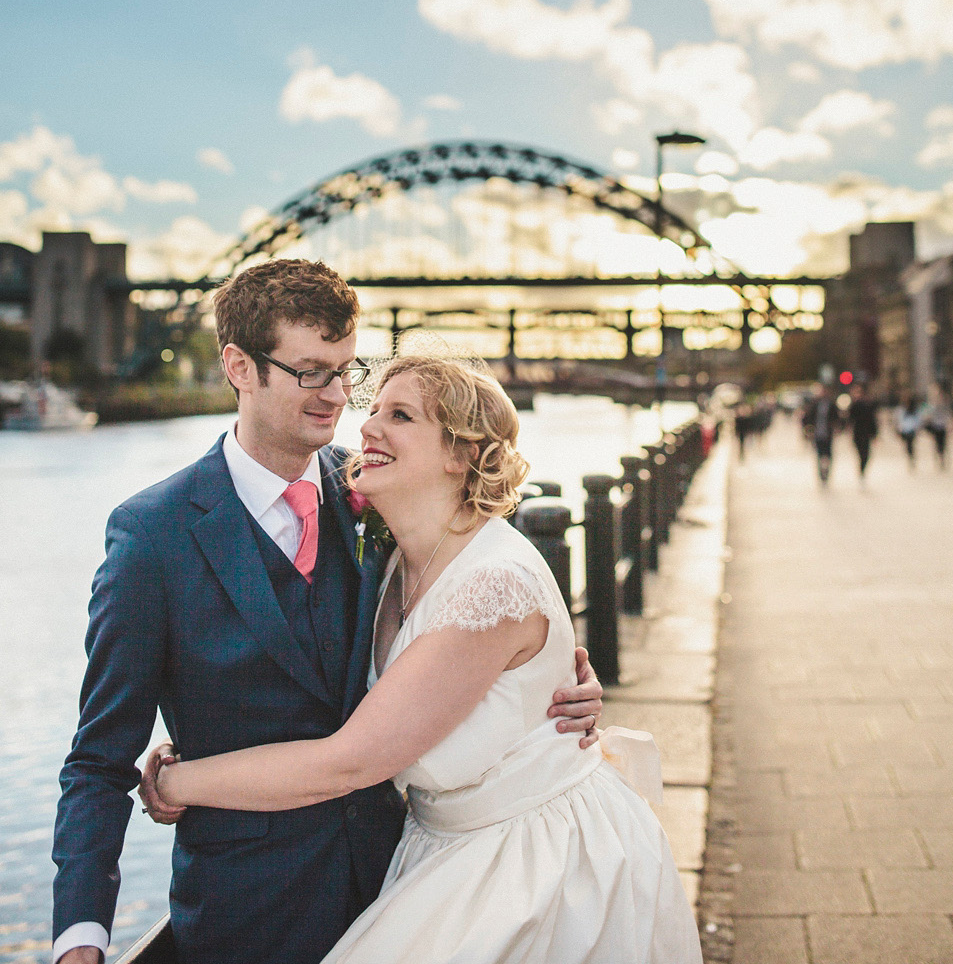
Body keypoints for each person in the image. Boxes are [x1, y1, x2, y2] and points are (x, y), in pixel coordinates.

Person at [51, 261, 601, 964]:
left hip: (406, 883)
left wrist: (555, 688)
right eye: (312, 372)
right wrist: (80, 938)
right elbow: (98, 761)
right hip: (245, 911)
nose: (339, 396)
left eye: (347, 370)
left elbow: (483, 608)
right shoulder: (152, 537)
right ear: (240, 367)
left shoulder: (379, 492)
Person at [142, 356, 702, 964]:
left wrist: (177, 782)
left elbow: (349, 761)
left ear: (459, 455)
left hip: (531, 865)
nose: (369, 428)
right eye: (375, 410)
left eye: (401, 415)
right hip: (440, 844)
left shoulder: (492, 586)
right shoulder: (387, 560)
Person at [802, 384, 839, 486]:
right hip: (817, 433)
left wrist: (836, 428)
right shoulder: (814, 404)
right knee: (819, 454)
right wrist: (808, 430)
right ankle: (821, 474)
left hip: (828, 433)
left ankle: (826, 471)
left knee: (827, 454)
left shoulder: (831, 404)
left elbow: (836, 418)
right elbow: (807, 418)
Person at [848, 383, 879, 483]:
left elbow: (872, 420)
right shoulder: (854, 405)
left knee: (866, 454)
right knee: (861, 454)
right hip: (857, 433)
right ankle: (861, 470)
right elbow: (849, 419)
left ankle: (862, 470)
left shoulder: (868, 404)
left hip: (866, 433)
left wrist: (874, 434)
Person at [924, 385, 952, 470]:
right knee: (937, 443)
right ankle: (939, 458)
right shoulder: (931, 405)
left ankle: (942, 458)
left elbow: (948, 414)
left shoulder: (944, 404)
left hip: (942, 426)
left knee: (943, 443)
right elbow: (927, 415)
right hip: (935, 426)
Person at [895, 393, 922, 468]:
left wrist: (917, 428)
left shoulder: (914, 409)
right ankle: (910, 457)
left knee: (910, 445)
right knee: (907, 445)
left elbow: (918, 419)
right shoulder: (901, 409)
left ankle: (911, 458)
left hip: (911, 430)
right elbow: (898, 420)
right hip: (904, 430)